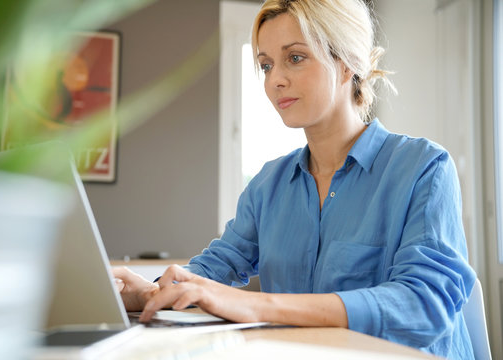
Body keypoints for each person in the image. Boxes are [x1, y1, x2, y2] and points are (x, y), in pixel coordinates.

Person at [113, 0, 476, 358]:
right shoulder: (268, 184)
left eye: (295, 58)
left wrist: (256, 305)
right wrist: (149, 292)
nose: (275, 80)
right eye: (266, 65)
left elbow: (423, 305)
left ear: (347, 62)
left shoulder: (423, 168)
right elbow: (214, 270)